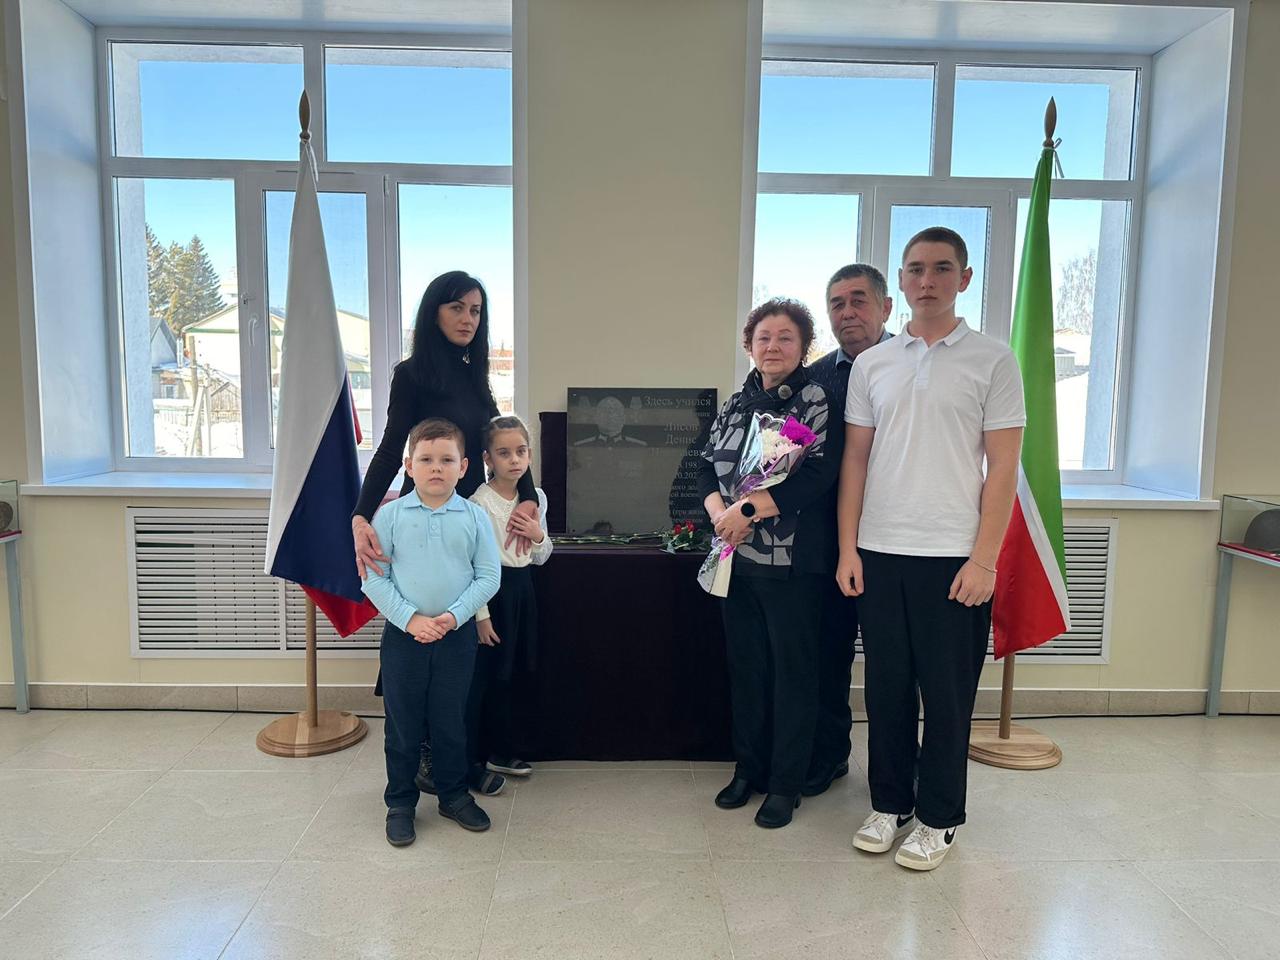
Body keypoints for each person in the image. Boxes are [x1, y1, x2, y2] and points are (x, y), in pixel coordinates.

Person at [837, 227, 1024, 871]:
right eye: (915, 268)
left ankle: (939, 817)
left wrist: (984, 558)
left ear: (963, 278)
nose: (927, 280)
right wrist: (848, 549)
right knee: (887, 691)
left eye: (942, 268)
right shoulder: (874, 364)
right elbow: (855, 460)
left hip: (953, 556)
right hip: (880, 551)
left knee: (946, 698)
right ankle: (890, 804)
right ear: (901, 279)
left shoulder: (993, 360)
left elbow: (1003, 467)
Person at [351, 270, 538, 797]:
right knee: (435, 648)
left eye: (476, 311)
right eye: (457, 307)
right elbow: (392, 448)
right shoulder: (412, 375)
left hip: (475, 522)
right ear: (433, 312)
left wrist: (528, 497)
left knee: (474, 653)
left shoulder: (474, 373)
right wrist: (360, 515)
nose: (467, 319)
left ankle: (467, 755)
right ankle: (430, 761)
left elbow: (501, 442)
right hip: (431, 523)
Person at [699, 297, 841, 829]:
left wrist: (748, 510)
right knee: (748, 671)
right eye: (763, 337)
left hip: (792, 563)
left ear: (804, 346)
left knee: (793, 676)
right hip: (735, 558)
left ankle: (785, 784)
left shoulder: (815, 399)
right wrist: (721, 515)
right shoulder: (737, 403)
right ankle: (748, 770)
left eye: (785, 337)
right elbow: (705, 467)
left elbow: (818, 475)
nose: (773, 346)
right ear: (749, 346)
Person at [362, 417, 501, 847]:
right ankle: (400, 803)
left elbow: (488, 577)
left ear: (464, 467)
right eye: (425, 459)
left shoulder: (474, 517)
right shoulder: (390, 515)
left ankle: (453, 795)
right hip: (404, 638)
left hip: (456, 637)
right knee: (403, 725)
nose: (436, 467)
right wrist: (411, 619)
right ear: (409, 465)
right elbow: (373, 579)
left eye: (446, 459)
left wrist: (453, 617)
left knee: (450, 720)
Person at [802, 264, 894, 797]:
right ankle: (831, 754)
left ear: (885, 307)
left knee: (896, 666)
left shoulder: (907, 366)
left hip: (894, 538)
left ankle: (899, 767)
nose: (847, 312)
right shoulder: (813, 379)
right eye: (837, 303)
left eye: (859, 300)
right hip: (828, 544)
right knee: (828, 656)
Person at [468, 414, 554, 780]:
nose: (514, 460)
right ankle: (482, 753)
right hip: (493, 594)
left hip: (524, 592)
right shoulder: (478, 504)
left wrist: (537, 534)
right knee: (492, 675)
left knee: (519, 670)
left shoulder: (536, 499)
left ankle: (508, 748)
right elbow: (472, 566)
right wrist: (481, 615)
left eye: (521, 451)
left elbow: (541, 555)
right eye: (504, 453)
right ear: (488, 458)